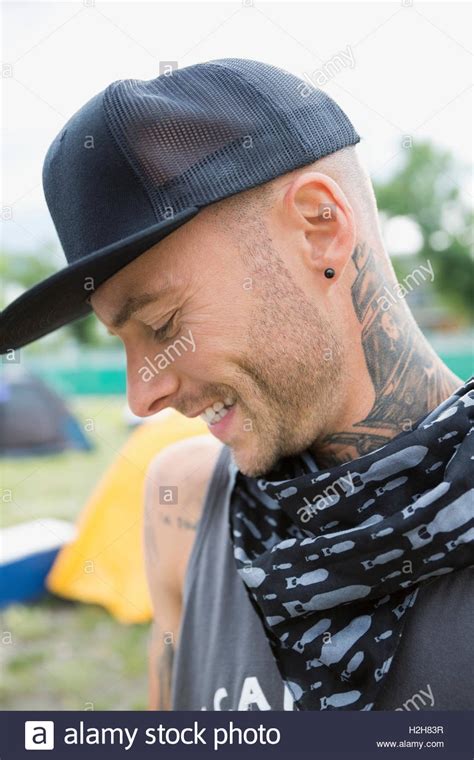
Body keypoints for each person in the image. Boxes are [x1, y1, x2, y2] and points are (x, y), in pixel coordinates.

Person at [1, 59, 472, 712]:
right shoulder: (183, 506)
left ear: (319, 228)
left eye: (164, 323)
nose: (142, 397)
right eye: (124, 341)